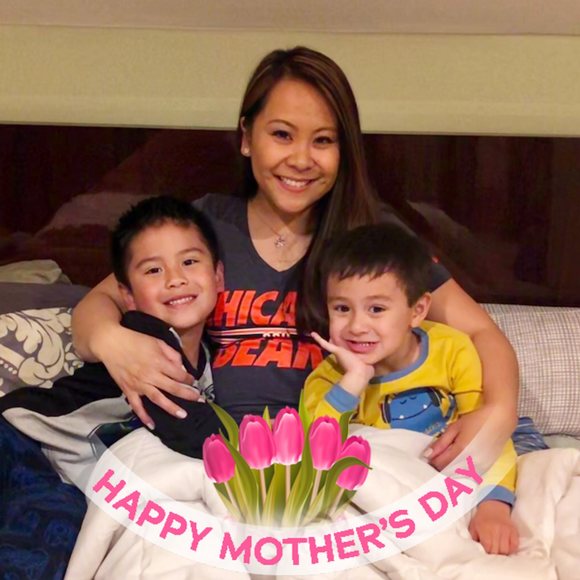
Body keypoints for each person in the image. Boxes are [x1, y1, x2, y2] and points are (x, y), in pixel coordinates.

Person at [71, 46, 518, 469]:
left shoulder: (372, 239)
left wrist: (499, 410)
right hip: (221, 453)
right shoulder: (203, 227)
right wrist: (113, 342)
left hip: (342, 455)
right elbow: (100, 303)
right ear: (247, 137)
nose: (301, 159)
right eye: (282, 135)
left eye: (323, 140)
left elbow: (480, 330)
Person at [304, 223, 519, 555]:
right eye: (342, 308)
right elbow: (315, 452)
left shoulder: (452, 349)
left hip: (461, 475)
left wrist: (494, 508)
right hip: (399, 490)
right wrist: (354, 380)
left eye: (376, 309)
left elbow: (489, 435)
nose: (357, 326)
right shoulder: (327, 379)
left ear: (417, 310)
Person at [0, 196, 224, 484]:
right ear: (127, 296)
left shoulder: (209, 352)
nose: (175, 279)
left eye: (189, 262)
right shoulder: (144, 335)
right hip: (22, 439)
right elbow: (190, 433)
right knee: (48, 512)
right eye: (154, 270)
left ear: (218, 276)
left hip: (62, 469)